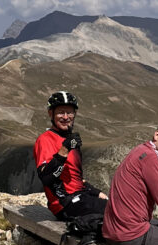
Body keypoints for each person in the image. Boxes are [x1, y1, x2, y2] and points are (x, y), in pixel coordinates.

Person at [33, 90, 107, 219]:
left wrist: (95, 192)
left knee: (121, 206)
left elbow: (74, 177)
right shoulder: (45, 140)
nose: (66, 117)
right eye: (61, 112)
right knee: (118, 213)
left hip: (80, 197)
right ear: (51, 113)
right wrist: (64, 149)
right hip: (65, 204)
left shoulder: (71, 139)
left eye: (70, 112)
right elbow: (46, 178)